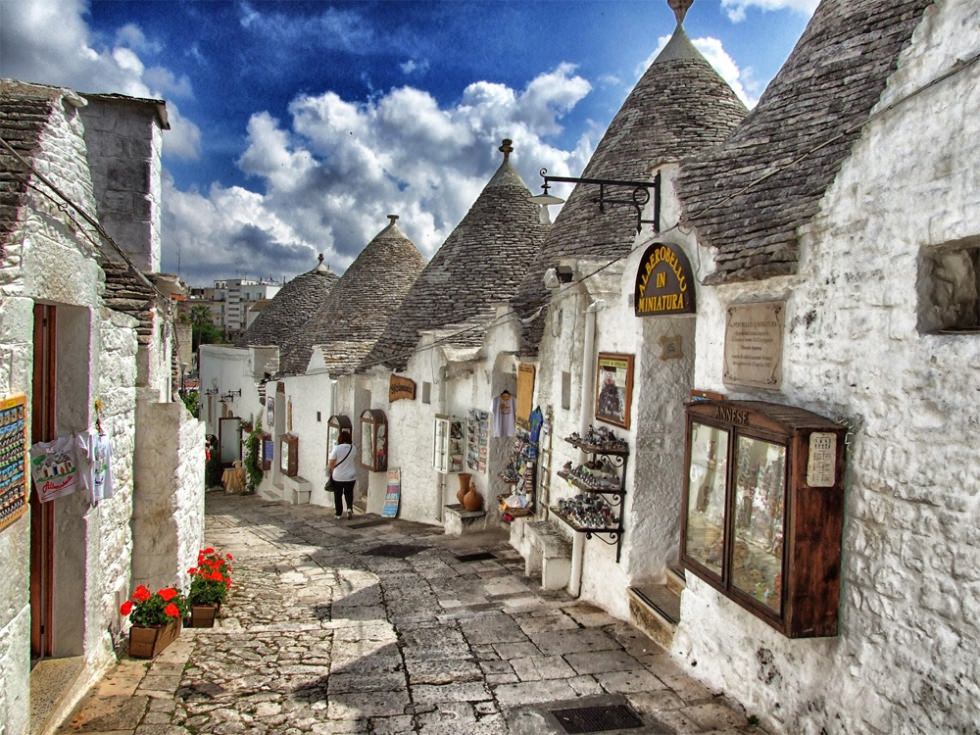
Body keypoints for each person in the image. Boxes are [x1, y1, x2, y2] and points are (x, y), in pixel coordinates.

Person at [327, 428, 357, 520]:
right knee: (349, 493)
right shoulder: (353, 448)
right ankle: (349, 509)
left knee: (338, 495)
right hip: (351, 475)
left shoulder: (337, 448)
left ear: (340, 439)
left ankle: (338, 513)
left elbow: (331, 463)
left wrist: (332, 469)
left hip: (338, 476)